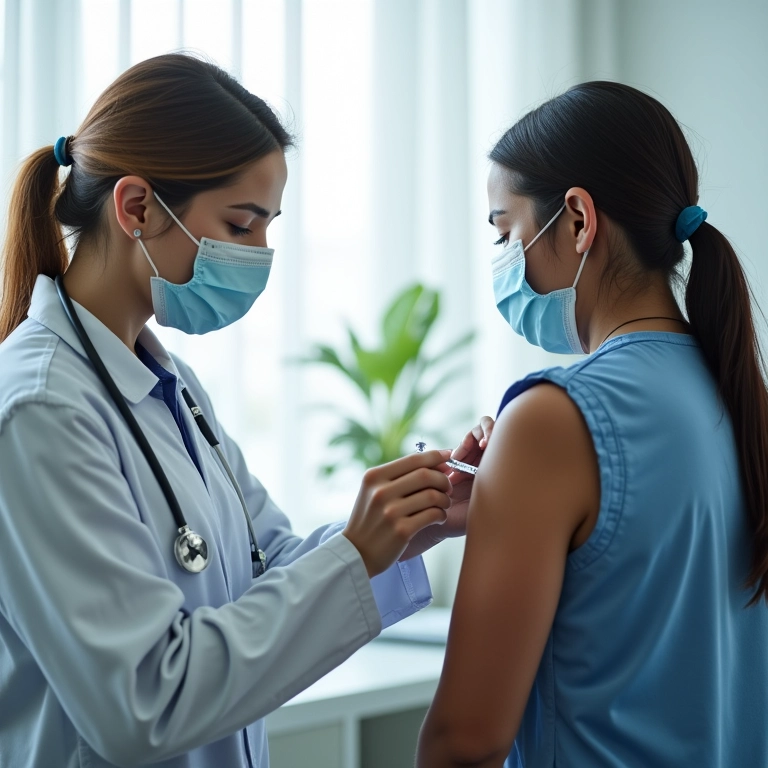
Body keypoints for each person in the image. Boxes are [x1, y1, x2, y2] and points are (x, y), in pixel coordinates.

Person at [0, 53, 469, 768]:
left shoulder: (171, 383)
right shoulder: (39, 409)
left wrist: (411, 523)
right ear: (136, 208)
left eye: (268, 228)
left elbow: (268, 567)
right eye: (241, 223)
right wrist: (354, 550)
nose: (260, 253)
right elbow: (142, 704)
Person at [417, 81, 768, 767]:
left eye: (506, 231)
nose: (504, 259)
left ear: (578, 220)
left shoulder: (551, 420)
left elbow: (465, 742)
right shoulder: (740, 399)